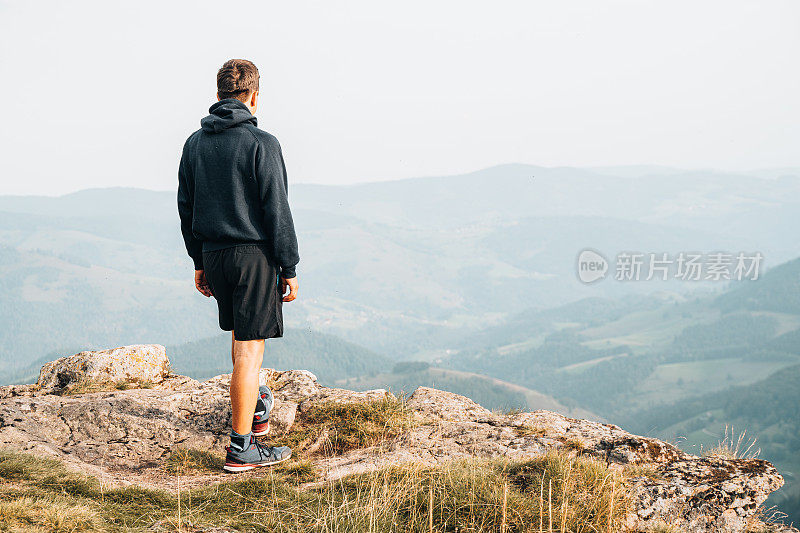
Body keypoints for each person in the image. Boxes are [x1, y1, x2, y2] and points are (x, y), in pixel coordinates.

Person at [177, 59, 299, 472]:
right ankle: (241, 448)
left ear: (218, 96)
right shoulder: (262, 143)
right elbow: (276, 210)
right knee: (250, 352)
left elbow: (186, 206)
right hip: (253, 256)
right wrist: (289, 266)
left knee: (240, 342)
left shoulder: (195, 144)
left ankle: (257, 408)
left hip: (214, 254)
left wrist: (199, 261)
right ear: (253, 95)